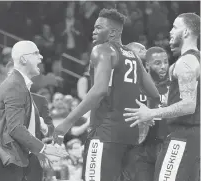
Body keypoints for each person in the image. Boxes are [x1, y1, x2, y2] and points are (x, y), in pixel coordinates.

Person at [55, 8, 160, 181]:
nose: (93, 31)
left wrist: (67, 122)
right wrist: (147, 117)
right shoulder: (133, 56)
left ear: (112, 32)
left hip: (104, 133)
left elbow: (99, 90)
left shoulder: (102, 50)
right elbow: (154, 93)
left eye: (98, 28)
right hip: (131, 137)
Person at [124, 13, 200, 181]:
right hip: (191, 136)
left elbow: (188, 105)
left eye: (175, 27)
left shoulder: (186, 62)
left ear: (186, 32)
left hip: (183, 136)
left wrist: (151, 113)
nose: (171, 31)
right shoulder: (195, 60)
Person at [0, 41, 66, 181]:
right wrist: (44, 149)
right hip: (7, 161)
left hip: (16, 160)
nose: (41, 57)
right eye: (36, 53)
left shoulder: (21, 85)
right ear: (23, 59)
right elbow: (15, 128)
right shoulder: (15, 85)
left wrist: (43, 134)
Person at [125, 45, 170, 181]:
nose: (163, 66)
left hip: (165, 144)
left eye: (166, 62)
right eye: (158, 63)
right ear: (147, 65)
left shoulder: (174, 86)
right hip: (141, 148)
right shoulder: (135, 86)